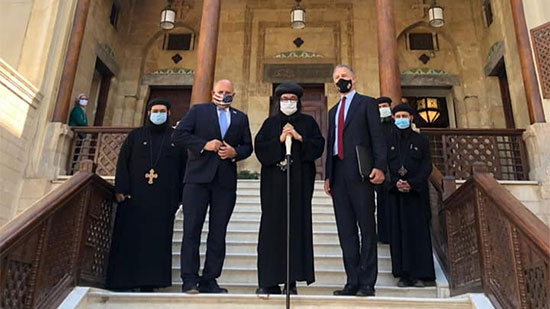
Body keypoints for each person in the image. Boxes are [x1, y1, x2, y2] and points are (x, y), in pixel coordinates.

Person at [172, 79, 253, 294]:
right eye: (220, 91)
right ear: (212, 92)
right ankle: (189, 279)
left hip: (225, 182)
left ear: (233, 94)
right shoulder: (198, 111)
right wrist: (203, 145)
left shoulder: (240, 118)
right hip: (197, 179)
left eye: (227, 92)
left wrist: (235, 152)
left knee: (218, 232)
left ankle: (210, 279)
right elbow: (179, 135)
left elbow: (247, 146)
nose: (223, 94)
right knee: (192, 230)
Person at [107, 97, 187, 292]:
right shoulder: (135, 136)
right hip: (134, 197)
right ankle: (123, 281)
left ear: (168, 113)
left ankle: (150, 282)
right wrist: (121, 189)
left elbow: (183, 169)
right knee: (129, 238)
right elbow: (123, 163)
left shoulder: (177, 138)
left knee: (156, 242)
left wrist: (181, 197)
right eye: (154, 111)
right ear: (148, 113)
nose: (157, 115)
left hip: (163, 200)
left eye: (161, 111)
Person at [254, 83, 325, 295]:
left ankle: (291, 280)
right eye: (284, 99)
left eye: (292, 99)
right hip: (274, 187)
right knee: (271, 229)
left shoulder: (308, 122)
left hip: (299, 185)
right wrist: (280, 140)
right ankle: (268, 280)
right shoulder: (270, 123)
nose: (288, 102)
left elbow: (317, 146)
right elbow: (261, 150)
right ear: (278, 101)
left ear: (298, 101)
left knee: (296, 227)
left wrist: (299, 137)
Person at [324, 65, 387, 297]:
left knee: (367, 228)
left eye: (344, 76)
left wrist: (380, 167)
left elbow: (377, 137)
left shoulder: (367, 103)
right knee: (346, 231)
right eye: (336, 78)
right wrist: (328, 175)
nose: (341, 80)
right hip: (338, 176)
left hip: (362, 174)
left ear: (353, 78)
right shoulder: (332, 111)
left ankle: (367, 282)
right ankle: (352, 281)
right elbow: (330, 143)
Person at [386, 103, 435, 288]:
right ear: (393, 118)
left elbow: (427, 165)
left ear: (411, 118)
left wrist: (412, 183)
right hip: (395, 194)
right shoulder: (387, 140)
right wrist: (395, 183)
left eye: (404, 116)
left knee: (418, 233)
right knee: (398, 234)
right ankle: (403, 274)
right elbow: (384, 165)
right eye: (398, 116)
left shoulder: (421, 140)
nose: (401, 119)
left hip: (416, 194)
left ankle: (421, 274)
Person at [375, 97, 393, 244]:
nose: (383, 108)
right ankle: (383, 235)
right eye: (380, 106)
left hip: (394, 171)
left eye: (385, 106)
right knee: (381, 205)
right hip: (380, 172)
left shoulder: (395, 126)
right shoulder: (375, 127)